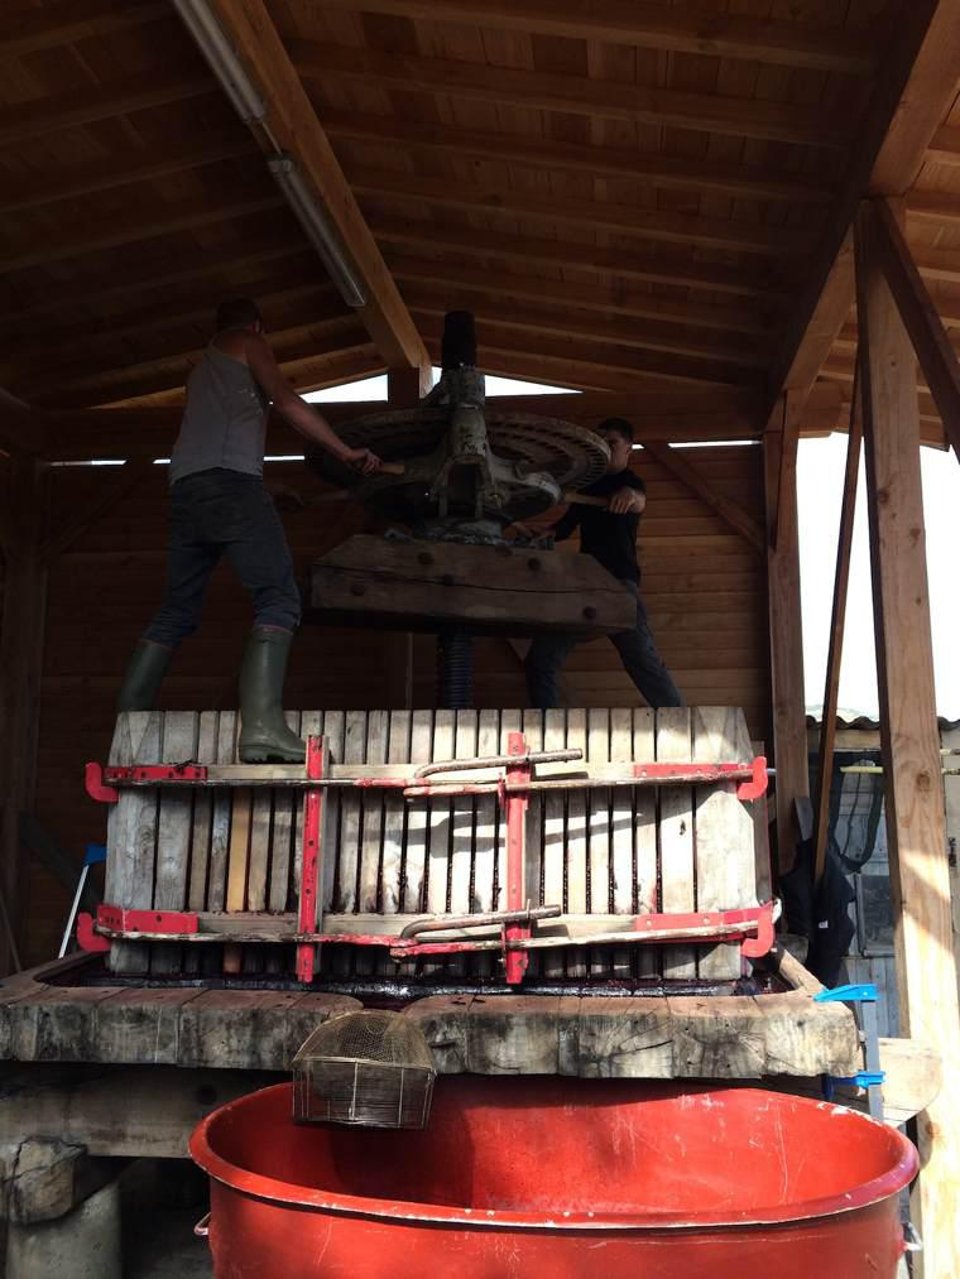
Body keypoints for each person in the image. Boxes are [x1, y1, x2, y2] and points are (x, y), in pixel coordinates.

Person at [116, 297, 380, 762]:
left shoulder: (202, 371)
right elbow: (286, 399)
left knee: (176, 610)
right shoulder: (247, 342)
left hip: (188, 490)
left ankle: (128, 724)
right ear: (257, 326)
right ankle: (262, 730)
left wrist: (269, 490)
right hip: (229, 485)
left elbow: (212, 452)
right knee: (279, 598)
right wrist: (344, 451)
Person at [524, 416, 683, 710]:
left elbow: (638, 500)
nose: (607, 449)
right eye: (602, 443)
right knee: (540, 661)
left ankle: (681, 723)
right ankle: (546, 728)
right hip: (586, 585)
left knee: (642, 660)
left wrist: (629, 497)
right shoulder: (589, 486)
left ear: (629, 448)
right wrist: (547, 533)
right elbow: (565, 525)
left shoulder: (630, 483)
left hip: (619, 584)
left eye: (613, 443)